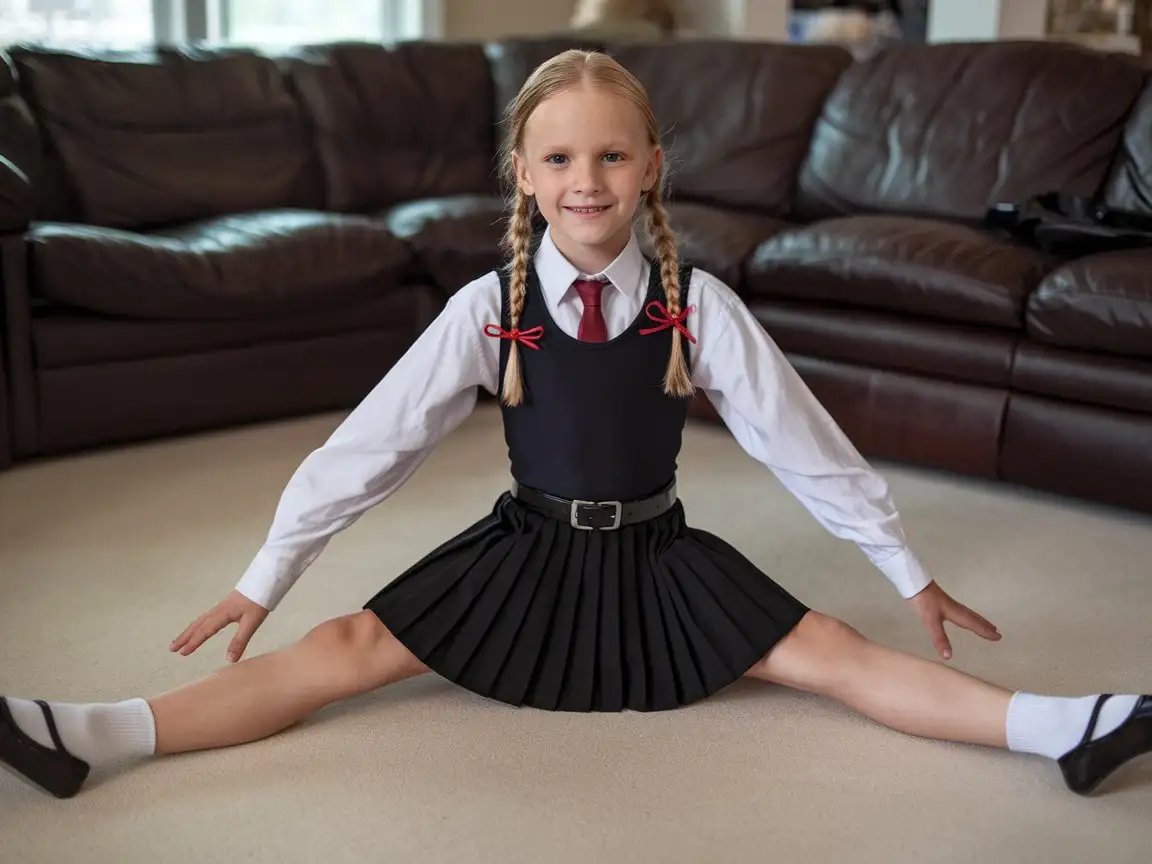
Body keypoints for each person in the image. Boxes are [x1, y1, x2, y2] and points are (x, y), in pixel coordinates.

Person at [1, 49, 1148, 802]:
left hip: (660, 555)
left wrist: (908, 570)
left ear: (653, 166)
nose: (586, 179)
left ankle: (1068, 726)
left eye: (611, 154)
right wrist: (267, 575)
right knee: (341, 652)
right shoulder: (485, 310)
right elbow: (370, 447)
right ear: (524, 174)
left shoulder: (697, 303)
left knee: (835, 658)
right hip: (526, 551)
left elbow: (802, 442)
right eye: (560, 157)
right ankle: (95, 735)